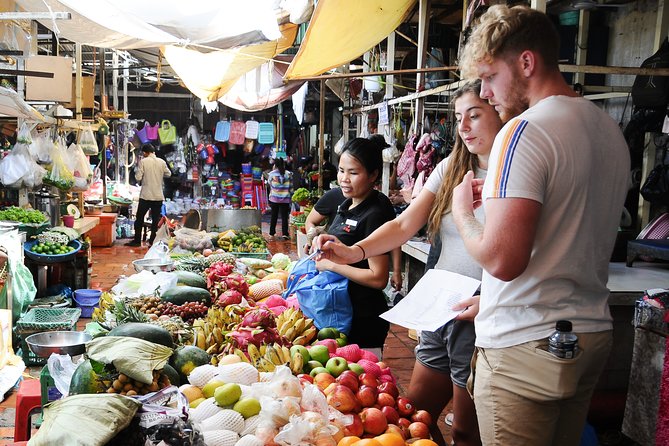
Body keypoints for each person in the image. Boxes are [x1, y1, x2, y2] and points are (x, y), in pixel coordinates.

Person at [450, 6, 630, 445]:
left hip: (524, 349)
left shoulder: (523, 132)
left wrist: (463, 214)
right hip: (588, 334)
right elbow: (562, 246)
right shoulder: (608, 129)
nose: (487, 93)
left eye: (491, 77)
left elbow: (501, 259)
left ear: (526, 62)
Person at [312, 80, 501, 446]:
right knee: (417, 413)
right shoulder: (452, 166)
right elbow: (402, 224)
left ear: (500, 108)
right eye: (459, 117)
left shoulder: (513, 172)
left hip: (478, 311)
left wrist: (496, 299)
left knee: (466, 429)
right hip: (441, 304)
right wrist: (354, 251)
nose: (463, 127)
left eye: (474, 115)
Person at [310, 138, 395, 355]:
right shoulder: (347, 204)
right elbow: (348, 245)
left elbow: (378, 278)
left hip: (362, 318)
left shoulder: (375, 213)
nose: (344, 179)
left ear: (373, 175)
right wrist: (325, 240)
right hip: (339, 313)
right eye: (341, 170)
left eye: (353, 173)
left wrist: (331, 265)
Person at [126, 143, 171, 247]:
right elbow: (168, 174)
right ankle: (152, 241)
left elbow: (138, 177)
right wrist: (159, 174)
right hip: (158, 196)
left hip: (146, 195)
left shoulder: (143, 162)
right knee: (155, 220)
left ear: (145, 153)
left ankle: (137, 241)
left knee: (140, 218)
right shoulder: (162, 162)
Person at [267, 158, 293, 240]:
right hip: (285, 199)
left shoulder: (271, 174)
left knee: (273, 216)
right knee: (284, 217)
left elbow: (269, 184)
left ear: (275, 165)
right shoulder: (288, 174)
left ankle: (272, 233)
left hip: (274, 199)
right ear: (283, 164)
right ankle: (285, 234)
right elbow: (291, 187)